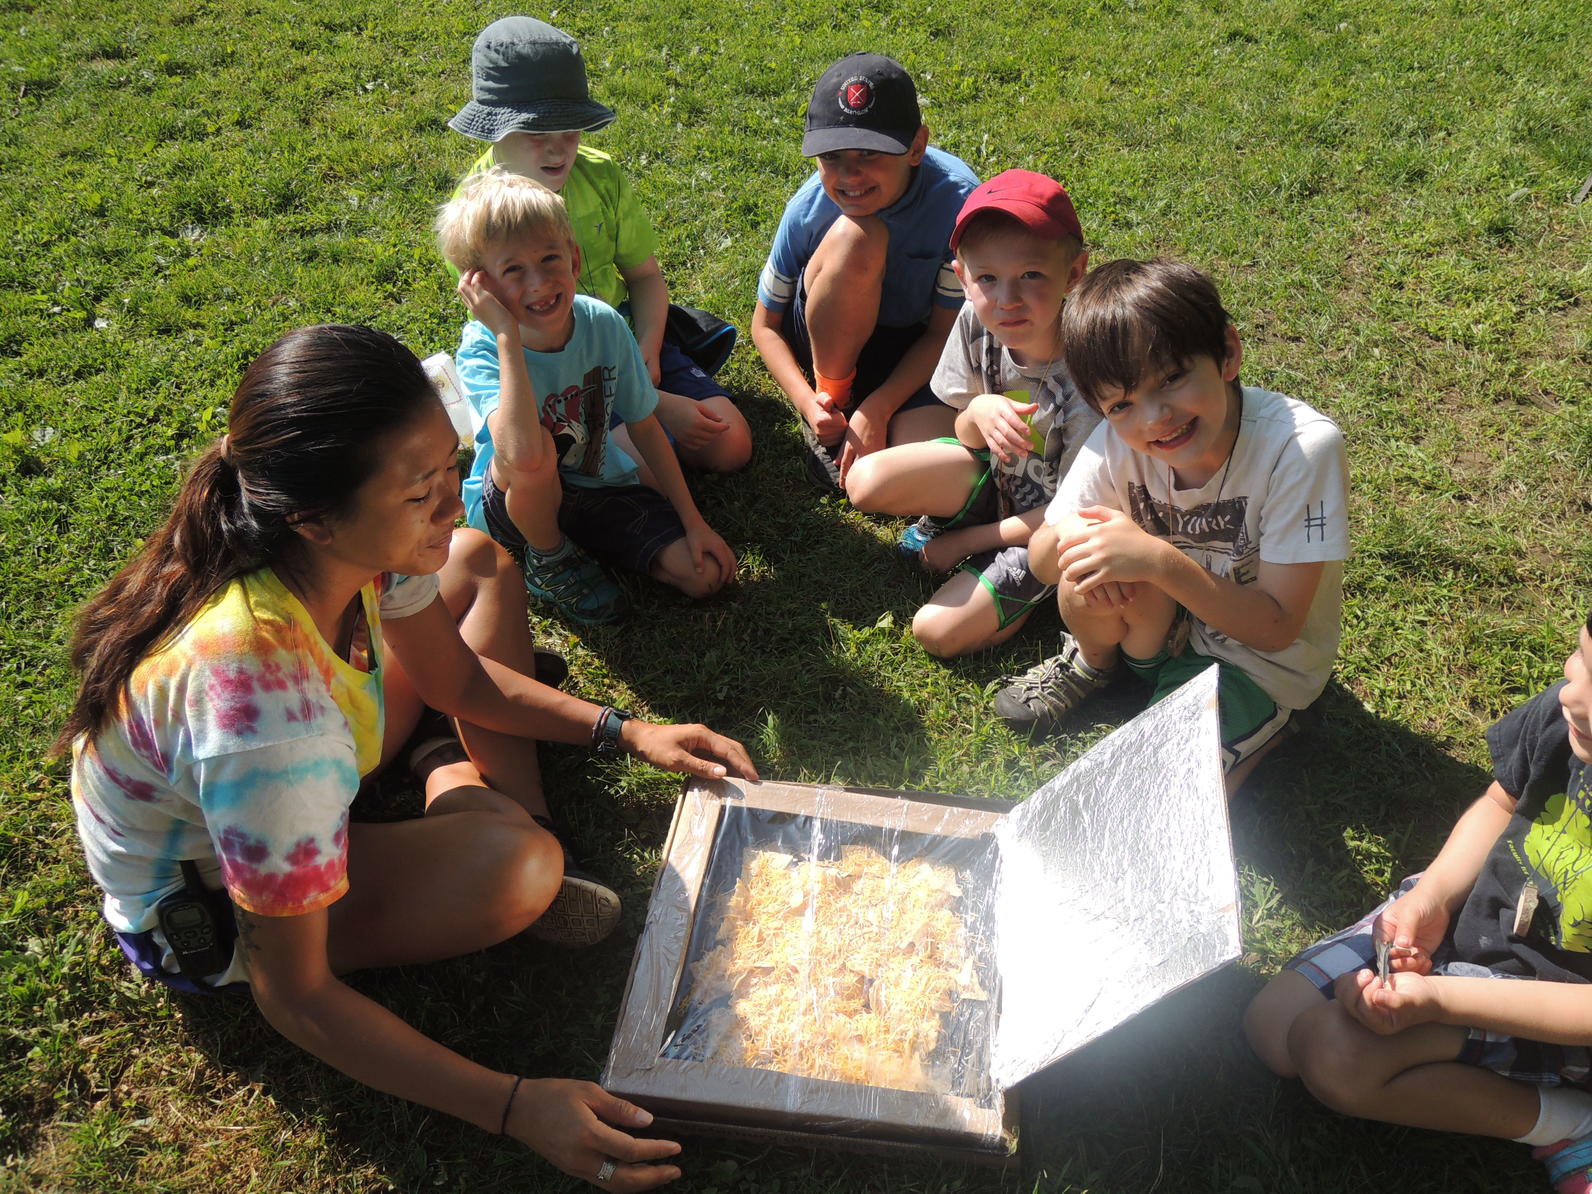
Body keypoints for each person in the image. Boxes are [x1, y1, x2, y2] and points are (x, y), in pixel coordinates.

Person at [60, 324, 760, 1191]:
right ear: (314, 520)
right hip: (208, 906)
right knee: (522, 867)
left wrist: (627, 730)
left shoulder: (332, 551)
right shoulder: (270, 726)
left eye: (448, 471)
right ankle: (480, 809)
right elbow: (297, 995)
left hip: (292, 783)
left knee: (476, 564)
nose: (454, 504)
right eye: (421, 493)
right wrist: (513, 1105)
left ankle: (453, 774)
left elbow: (457, 676)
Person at [1245, 617, 1592, 1194]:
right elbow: (1500, 802)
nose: (1571, 693)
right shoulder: (1568, 716)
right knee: (1273, 1032)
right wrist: (1432, 894)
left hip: (1553, 1009)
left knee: (1332, 1053)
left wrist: (1442, 1000)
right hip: (1462, 921)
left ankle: (1569, 1124)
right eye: (1583, 654)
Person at [994, 259, 1349, 782]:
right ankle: (1095, 664)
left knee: (1164, 787)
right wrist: (1074, 538)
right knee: (1080, 564)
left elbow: (1277, 629)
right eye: (1121, 404)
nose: (1155, 417)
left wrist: (1158, 561)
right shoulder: (1117, 442)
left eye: (1173, 378)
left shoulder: (1299, 449)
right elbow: (1045, 560)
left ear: (1227, 353)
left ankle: (1266, 719)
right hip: (1162, 628)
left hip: (1252, 661)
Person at [449, 15, 751, 474]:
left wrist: (647, 349)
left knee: (731, 445)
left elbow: (644, 276)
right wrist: (660, 403)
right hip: (552, 370)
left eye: (570, 131)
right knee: (640, 469)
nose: (558, 151)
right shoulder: (475, 215)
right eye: (537, 135)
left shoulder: (601, 174)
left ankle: (633, 438)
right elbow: (523, 337)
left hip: (621, 333)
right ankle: (631, 445)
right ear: (494, 128)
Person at [437, 168, 737, 626]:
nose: (538, 284)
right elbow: (517, 454)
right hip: (510, 508)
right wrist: (505, 337)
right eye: (513, 270)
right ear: (481, 287)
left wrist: (694, 523)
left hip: (594, 485)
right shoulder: (482, 349)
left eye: (550, 259)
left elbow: (645, 425)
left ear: (575, 261)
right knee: (533, 453)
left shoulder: (602, 322)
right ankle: (550, 558)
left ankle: (582, 539)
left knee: (706, 575)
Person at [845, 169, 1097, 658]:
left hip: (1048, 532)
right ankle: (975, 550)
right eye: (987, 278)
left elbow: (1074, 510)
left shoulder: (1090, 374)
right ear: (962, 278)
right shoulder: (973, 320)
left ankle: (1029, 589)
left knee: (936, 632)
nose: (1007, 300)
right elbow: (965, 432)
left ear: (1074, 272)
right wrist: (979, 408)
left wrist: (965, 544)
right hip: (992, 480)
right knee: (866, 481)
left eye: (1031, 275)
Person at [749, 52, 978, 491]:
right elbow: (765, 325)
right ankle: (835, 401)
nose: (849, 174)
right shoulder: (807, 208)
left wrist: (880, 407)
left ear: (916, 147)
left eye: (870, 154)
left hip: (912, 344)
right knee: (859, 235)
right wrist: (809, 402)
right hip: (823, 339)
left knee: (919, 473)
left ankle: (867, 406)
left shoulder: (958, 206)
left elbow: (944, 332)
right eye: (831, 156)